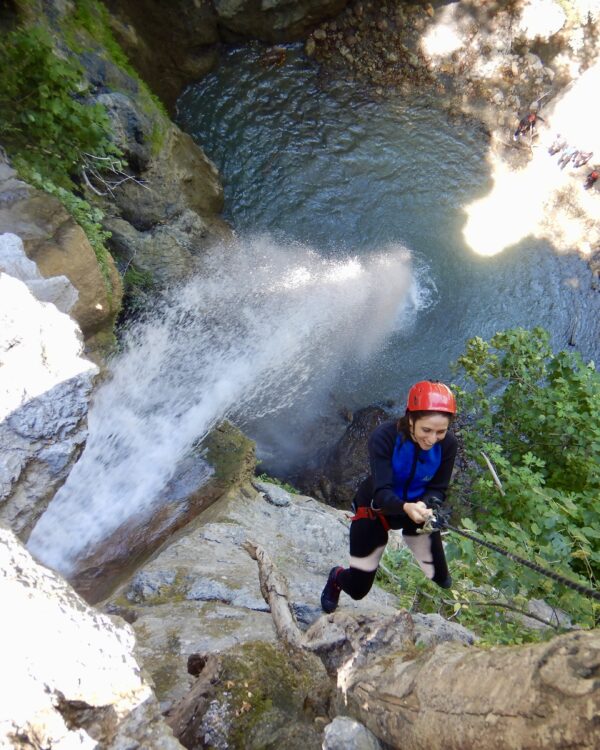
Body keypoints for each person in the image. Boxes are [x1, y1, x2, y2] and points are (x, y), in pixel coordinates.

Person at [320, 380, 458, 614]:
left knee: (441, 578)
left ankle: (418, 531)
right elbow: (382, 492)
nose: (432, 439)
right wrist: (407, 508)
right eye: (426, 430)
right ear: (411, 419)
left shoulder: (448, 445)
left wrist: (425, 505)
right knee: (357, 589)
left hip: (417, 509)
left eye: (440, 432)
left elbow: (438, 488)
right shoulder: (384, 437)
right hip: (376, 509)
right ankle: (337, 577)